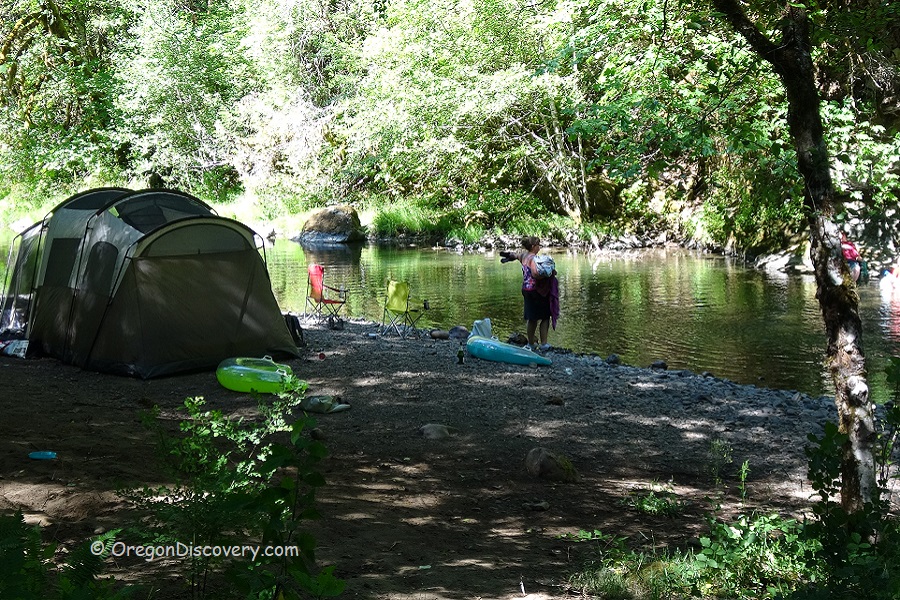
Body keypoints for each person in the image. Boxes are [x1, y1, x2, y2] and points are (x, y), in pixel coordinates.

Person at [500, 236, 559, 351]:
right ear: (533, 246)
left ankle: (531, 344)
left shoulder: (524, 256)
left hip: (526, 290)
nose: (539, 247)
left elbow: (516, 255)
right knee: (545, 317)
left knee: (531, 318)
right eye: (538, 245)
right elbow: (536, 274)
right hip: (537, 291)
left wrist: (508, 256)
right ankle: (544, 344)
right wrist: (550, 273)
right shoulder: (533, 259)